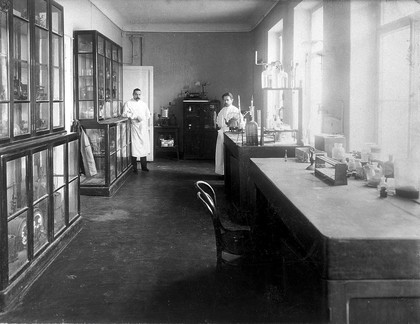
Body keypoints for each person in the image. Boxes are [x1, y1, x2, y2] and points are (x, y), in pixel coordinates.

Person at [215, 92, 243, 176]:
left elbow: (241, 123)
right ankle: (221, 173)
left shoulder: (235, 110)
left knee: (229, 154)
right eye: (224, 100)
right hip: (222, 134)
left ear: (232, 100)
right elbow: (219, 124)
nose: (226, 101)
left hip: (232, 134)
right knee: (221, 154)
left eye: (227, 100)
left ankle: (230, 173)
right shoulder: (222, 111)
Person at [123, 88, 151, 173]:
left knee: (144, 147)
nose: (138, 96)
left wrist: (142, 119)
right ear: (133, 94)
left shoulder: (143, 104)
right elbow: (124, 113)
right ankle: (134, 168)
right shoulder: (128, 103)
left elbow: (148, 115)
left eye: (139, 94)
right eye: (136, 94)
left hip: (143, 127)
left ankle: (144, 167)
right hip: (134, 127)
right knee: (134, 148)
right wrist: (135, 116)